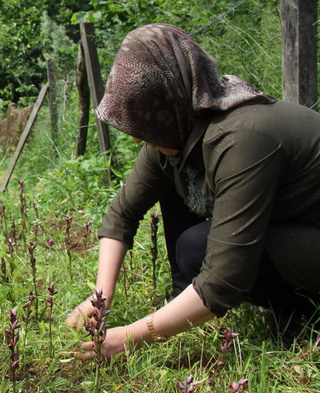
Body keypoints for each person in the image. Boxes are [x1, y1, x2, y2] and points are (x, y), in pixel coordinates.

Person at [66, 23, 320, 359]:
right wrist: (100, 297)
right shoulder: (182, 123)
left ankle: (304, 312)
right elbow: (122, 213)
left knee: (198, 247)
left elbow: (223, 279)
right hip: (298, 225)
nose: (140, 138)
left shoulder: (241, 137)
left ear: (167, 101)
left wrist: (130, 336)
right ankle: (186, 301)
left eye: (146, 123)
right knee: (177, 190)